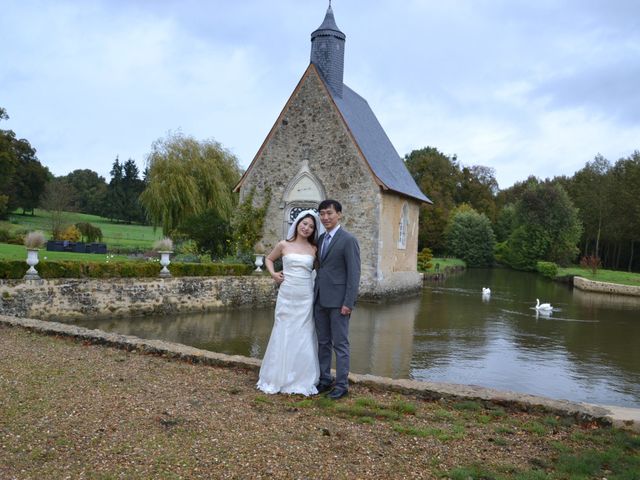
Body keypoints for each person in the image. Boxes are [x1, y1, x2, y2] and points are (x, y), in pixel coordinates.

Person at [256, 210, 325, 396]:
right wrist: (273, 274)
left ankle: (301, 378)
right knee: (283, 330)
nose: (307, 228)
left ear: (313, 230)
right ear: (297, 224)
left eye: (311, 226)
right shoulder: (283, 244)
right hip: (286, 294)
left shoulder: (314, 249)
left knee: (303, 333)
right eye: (304, 224)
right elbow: (269, 259)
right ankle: (278, 376)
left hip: (305, 295)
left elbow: (322, 271)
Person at [314, 199, 361, 400]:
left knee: (340, 344)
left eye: (329, 213)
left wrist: (348, 303)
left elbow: (354, 274)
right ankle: (325, 380)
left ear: (339, 214)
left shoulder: (348, 240)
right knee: (323, 342)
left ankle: (342, 385)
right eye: (322, 214)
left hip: (339, 302)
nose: (325, 217)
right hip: (319, 300)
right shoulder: (320, 239)